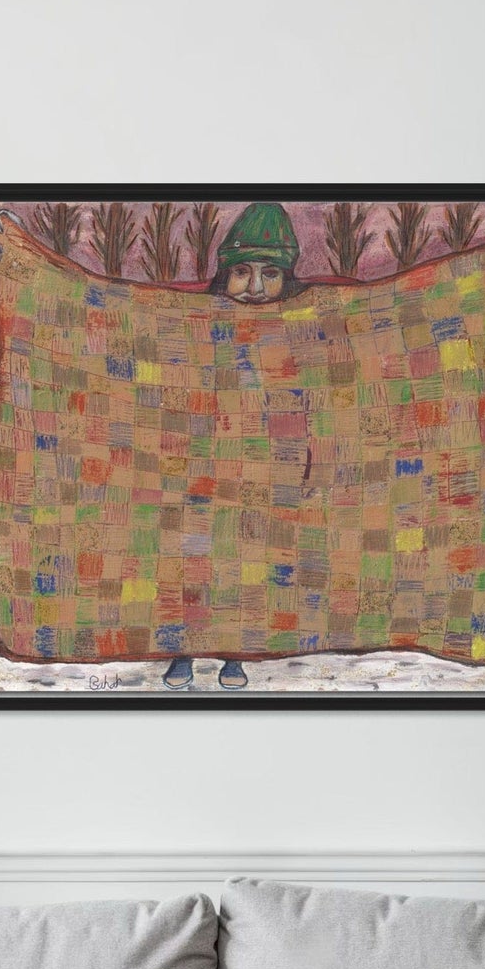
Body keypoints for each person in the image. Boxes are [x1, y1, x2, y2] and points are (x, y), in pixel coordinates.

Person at [165, 204, 305, 692]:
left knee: (247, 561)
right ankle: (181, 650)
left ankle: (234, 654)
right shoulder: (193, 326)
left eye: (271, 274)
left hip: (263, 472)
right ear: (224, 275)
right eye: (243, 272)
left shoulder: (299, 331)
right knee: (192, 561)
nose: (256, 287)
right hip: (199, 467)